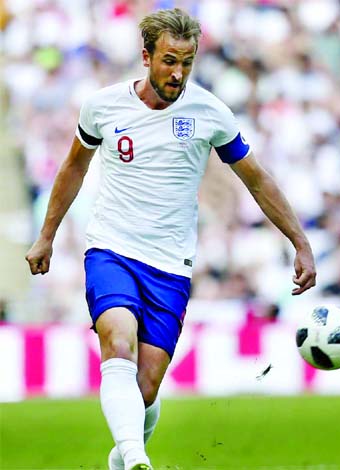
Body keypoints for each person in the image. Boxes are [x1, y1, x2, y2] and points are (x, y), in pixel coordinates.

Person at [24, 9, 316, 470]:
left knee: (145, 389)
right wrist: (47, 235)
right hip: (112, 249)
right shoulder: (103, 106)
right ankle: (140, 460)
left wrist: (299, 242)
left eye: (187, 62)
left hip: (170, 266)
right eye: (168, 61)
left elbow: (257, 180)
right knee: (117, 342)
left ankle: (121, 459)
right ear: (146, 56)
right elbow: (74, 166)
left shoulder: (210, 112)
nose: (177, 73)